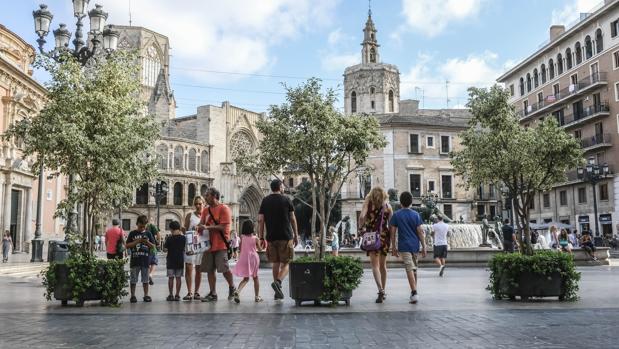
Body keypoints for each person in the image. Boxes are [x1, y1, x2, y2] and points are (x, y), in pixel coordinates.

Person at [258, 179, 299, 301]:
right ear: (280, 187)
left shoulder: (265, 201)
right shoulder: (286, 200)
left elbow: (261, 220)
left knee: (275, 263)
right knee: (287, 262)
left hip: (271, 237)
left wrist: (261, 236)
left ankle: (277, 292)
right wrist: (296, 235)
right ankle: (278, 282)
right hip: (285, 236)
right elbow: (292, 218)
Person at [197, 187, 237, 302]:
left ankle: (232, 287)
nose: (205, 197)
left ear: (214, 196)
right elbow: (201, 223)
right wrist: (198, 228)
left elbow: (224, 227)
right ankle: (213, 293)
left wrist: (208, 227)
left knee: (224, 269)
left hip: (221, 244)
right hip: (208, 245)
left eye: (207, 195)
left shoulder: (224, 209)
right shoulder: (206, 210)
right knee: (210, 270)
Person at [389, 191, 427, 304]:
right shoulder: (416, 215)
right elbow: (420, 232)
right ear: (411, 202)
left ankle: (414, 292)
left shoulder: (396, 215)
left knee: (410, 268)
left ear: (400, 202)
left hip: (404, 246)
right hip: (415, 245)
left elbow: (393, 232)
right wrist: (424, 246)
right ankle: (414, 291)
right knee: (414, 268)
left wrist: (393, 247)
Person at [358, 186, 392, 303]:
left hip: (372, 236)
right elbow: (391, 226)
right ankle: (384, 289)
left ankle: (380, 290)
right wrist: (392, 242)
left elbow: (362, 216)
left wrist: (360, 228)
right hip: (384, 237)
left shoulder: (368, 204)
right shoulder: (388, 207)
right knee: (383, 266)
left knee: (375, 266)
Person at [125, 215, 156, 303]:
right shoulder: (132, 233)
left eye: (144, 226)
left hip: (145, 261)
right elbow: (127, 245)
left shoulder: (148, 233)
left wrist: (147, 242)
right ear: (137, 224)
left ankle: (146, 295)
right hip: (135, 260)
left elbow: (153, 247)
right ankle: (133, 295)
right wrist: (137, 241)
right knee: (133, 279)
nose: (142, 228)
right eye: (140, 226)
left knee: (145, 279)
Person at [232, 220, 263, 303]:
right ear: (252, 228)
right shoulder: (255, 238)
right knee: (255, 277)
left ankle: (237, 291)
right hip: (253, 258)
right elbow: (260, 249)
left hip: (244, 258)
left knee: (245, 278)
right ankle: (257, 297)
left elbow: (241, 248)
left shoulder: (242, 237)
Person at [182, 196, 204, 301]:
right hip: (190, 245)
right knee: (189, 268)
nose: (198, 206)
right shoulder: (190, 215)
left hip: (201, 246)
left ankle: (197, 292)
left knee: (199, 269)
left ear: (204, 204)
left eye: (200, 203)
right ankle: (189, 292)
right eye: (196, 204)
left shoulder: (207, 216)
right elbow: (185, 230)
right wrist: (185, 229)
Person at [164, 221, 186, 301]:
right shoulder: (183, 238)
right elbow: (185, 248)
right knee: (178, 278)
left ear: (171, 229)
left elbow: (165, 249)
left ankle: (170, 295)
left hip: (170, 260)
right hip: (180, 260)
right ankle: (177, 295)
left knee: (170, 278)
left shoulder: (169, 238)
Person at [145, 218, 160, 286]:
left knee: (147, 263)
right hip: (152, 247)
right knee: (154, 262)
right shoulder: (151, 226)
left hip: (145, 248)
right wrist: (159, 243)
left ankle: (148, 276)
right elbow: (158, 233)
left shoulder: (143, 227)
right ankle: (151, 275)